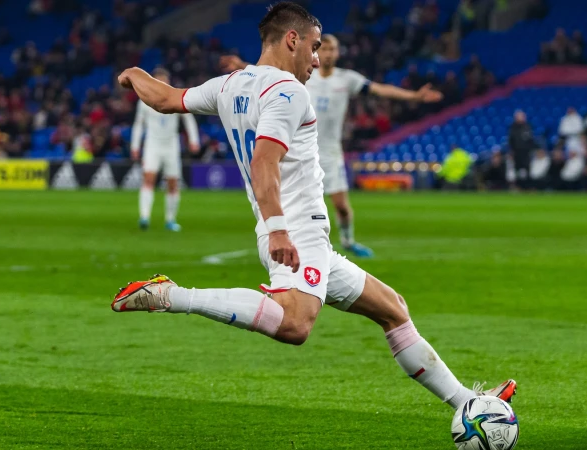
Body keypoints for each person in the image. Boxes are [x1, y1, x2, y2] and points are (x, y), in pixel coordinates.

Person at [111, 2, 515, 414]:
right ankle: (172, 296)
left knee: (393, 309)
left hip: (293, 233)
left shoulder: (230, 84)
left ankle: (468, 401)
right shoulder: (288, 91)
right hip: (296, 231)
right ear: (292, 40)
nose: (317, 58)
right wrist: (281, 229)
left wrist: (134, 75)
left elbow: (165, 99)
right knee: (295, 324)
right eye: (315, 46)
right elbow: (263, 163)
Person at [220, 35, 443, 258]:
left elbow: (380, 90)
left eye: (332, 49)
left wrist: (415, 96)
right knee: (291, 202)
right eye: (324, 48)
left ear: (338, 53)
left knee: (343, 208)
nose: (328, 53)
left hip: (330, 153)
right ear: (316, 51)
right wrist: (240, 65)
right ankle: (284, 240)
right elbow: (268, 72)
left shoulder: (347, 79)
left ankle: (348, 241)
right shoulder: (304, 75)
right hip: (300, 150)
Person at [130, 67, 200, 231]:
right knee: (148, 179)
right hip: (152, 144)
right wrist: (135, 145)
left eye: (164, 80)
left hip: (171, 145)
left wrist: (193, 139)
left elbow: (188, 119)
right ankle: (144, 217)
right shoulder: (145, 100)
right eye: (158, 80)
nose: (162, 83)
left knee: (173, 183)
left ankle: (170, 219)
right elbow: (139, 124)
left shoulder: (175, 96)